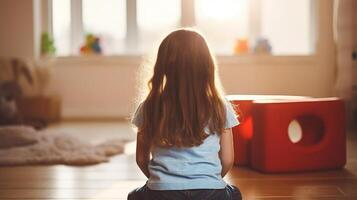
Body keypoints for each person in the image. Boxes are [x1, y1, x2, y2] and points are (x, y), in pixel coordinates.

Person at [128, 28, 242, 200]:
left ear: (163, 66)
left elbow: (141, 159)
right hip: (211, 192)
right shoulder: (220, 106)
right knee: (235, 193)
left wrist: (161, 184)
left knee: (133, 196)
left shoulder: (149, 106)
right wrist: (210, 182)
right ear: (207, 67)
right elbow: (227, 160)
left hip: (160, 193)